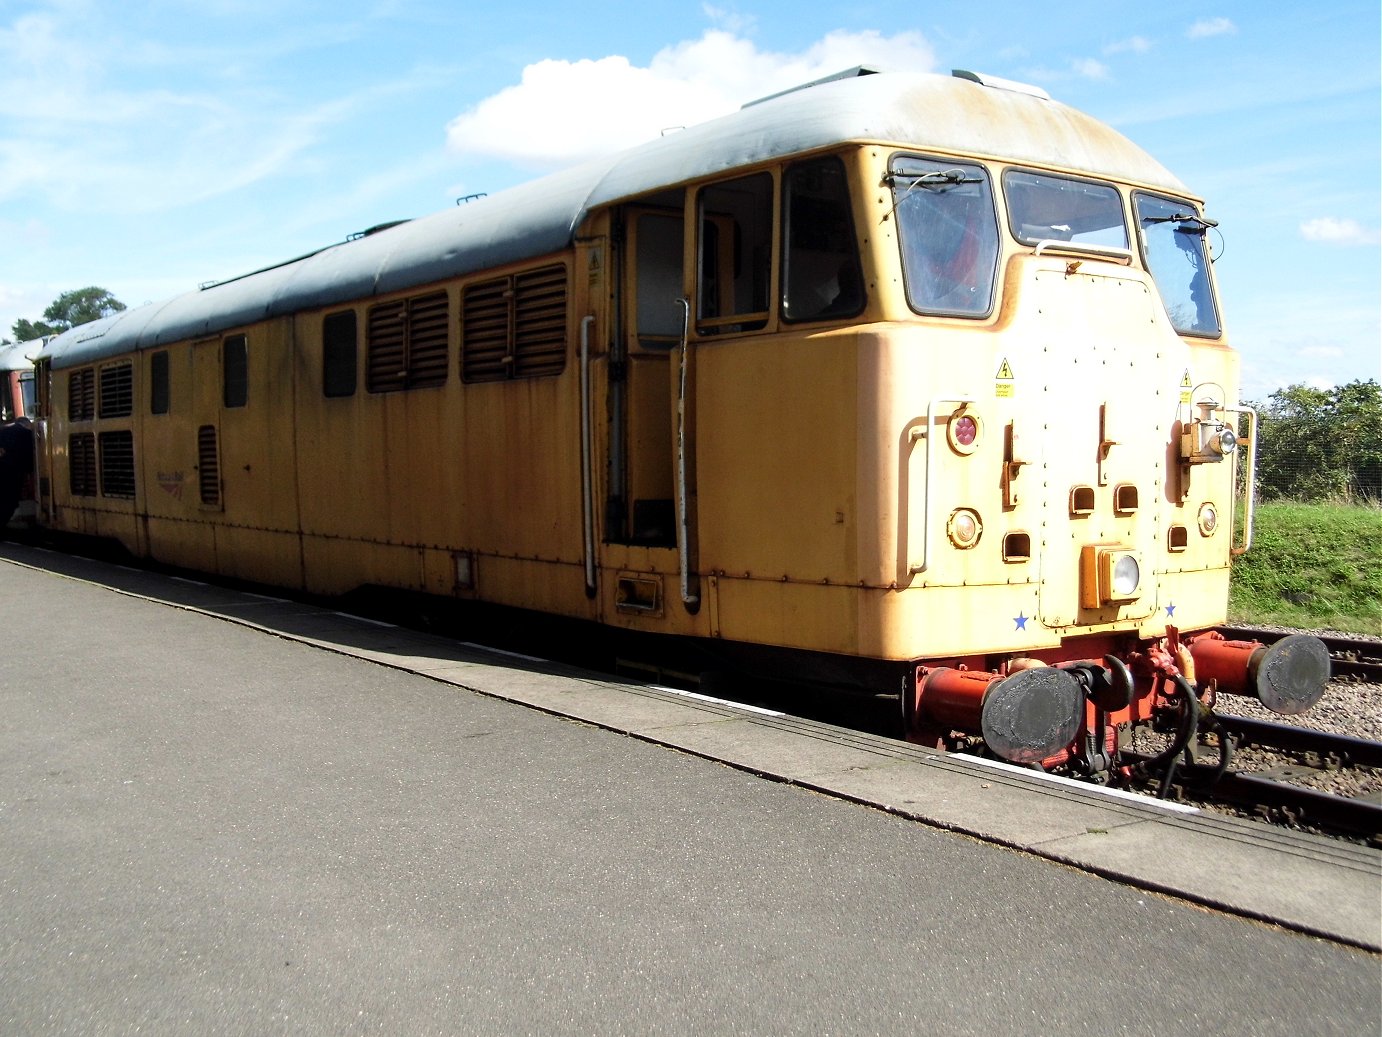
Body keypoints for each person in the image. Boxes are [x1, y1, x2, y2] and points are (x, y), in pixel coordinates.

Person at [0, 417, 35, 534]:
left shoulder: (3, 430)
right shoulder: (26, 434)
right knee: (10, 502)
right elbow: (29, 456)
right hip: (12, 473)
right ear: (27, 425)